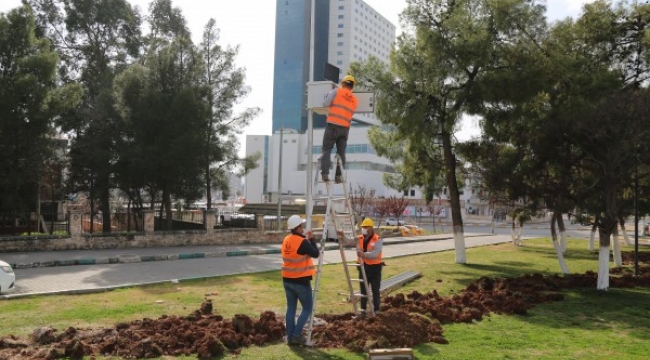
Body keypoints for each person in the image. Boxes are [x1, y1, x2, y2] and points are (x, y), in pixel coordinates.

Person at [281, 214, 320, 345]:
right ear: (297, 228)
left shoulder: (286, 239)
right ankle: (296, 335)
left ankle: (290, 336)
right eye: (301, 226)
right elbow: (315, 253)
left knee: (291, 307)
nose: (303, 227)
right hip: (300, 281)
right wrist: (312, 239)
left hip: (287, 279)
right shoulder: (302, 242)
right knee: (307, 308)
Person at [338, 217, 383, 315]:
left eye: (366, 227)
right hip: (363, 267)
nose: (364, 228)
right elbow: (349, 241)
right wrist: (342, 235)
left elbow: (375, 253)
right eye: (363, 227)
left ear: (371, 228)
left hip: (375, 268)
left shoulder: (377, 239)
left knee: (375, 289)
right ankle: (363, 310)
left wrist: (364, 255)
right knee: (363, 290)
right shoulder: (360, 238)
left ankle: (376, 309)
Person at [320, 75, 359, 183]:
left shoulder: (336, 91)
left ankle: (325, 173)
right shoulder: (355, 100)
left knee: (327, 149)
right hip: (345, 129)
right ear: (352, 86)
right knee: (341, 152)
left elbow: (325, 103)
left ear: (343, 83)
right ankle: (338, 176)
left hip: (332, 125)